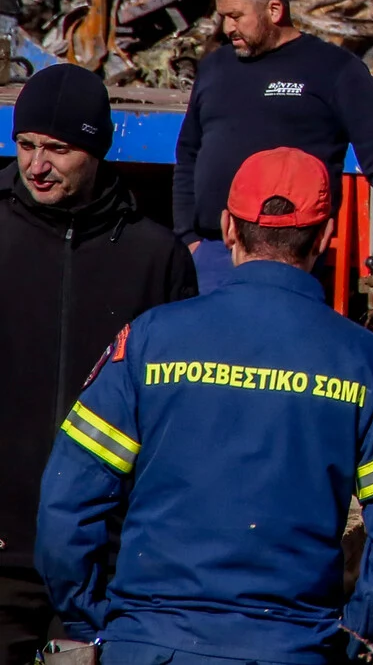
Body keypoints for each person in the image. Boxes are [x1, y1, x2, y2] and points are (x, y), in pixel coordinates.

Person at [37, 145, 373, 665]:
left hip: (148, 644)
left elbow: (66, 506)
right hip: (293, 647)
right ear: (327, 235)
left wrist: (100, 623)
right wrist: (351, 637)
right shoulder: (368, 363)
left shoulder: (150, 341)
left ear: (228, 228)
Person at [0, 66, 194, 664]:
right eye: (26, 144)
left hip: (105, 564)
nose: (36, 165)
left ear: (98, 147)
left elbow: (179, 415)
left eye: (58, 149)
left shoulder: (153, 256)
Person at [172, 0, 373, 302]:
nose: (227, 28)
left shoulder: (333, 69)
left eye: (236, 16)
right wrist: (188, 237)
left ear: (274, 10)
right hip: (213, 253)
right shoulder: (216, 66)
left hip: (289, 255)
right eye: (223, 17)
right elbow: (189, 152)